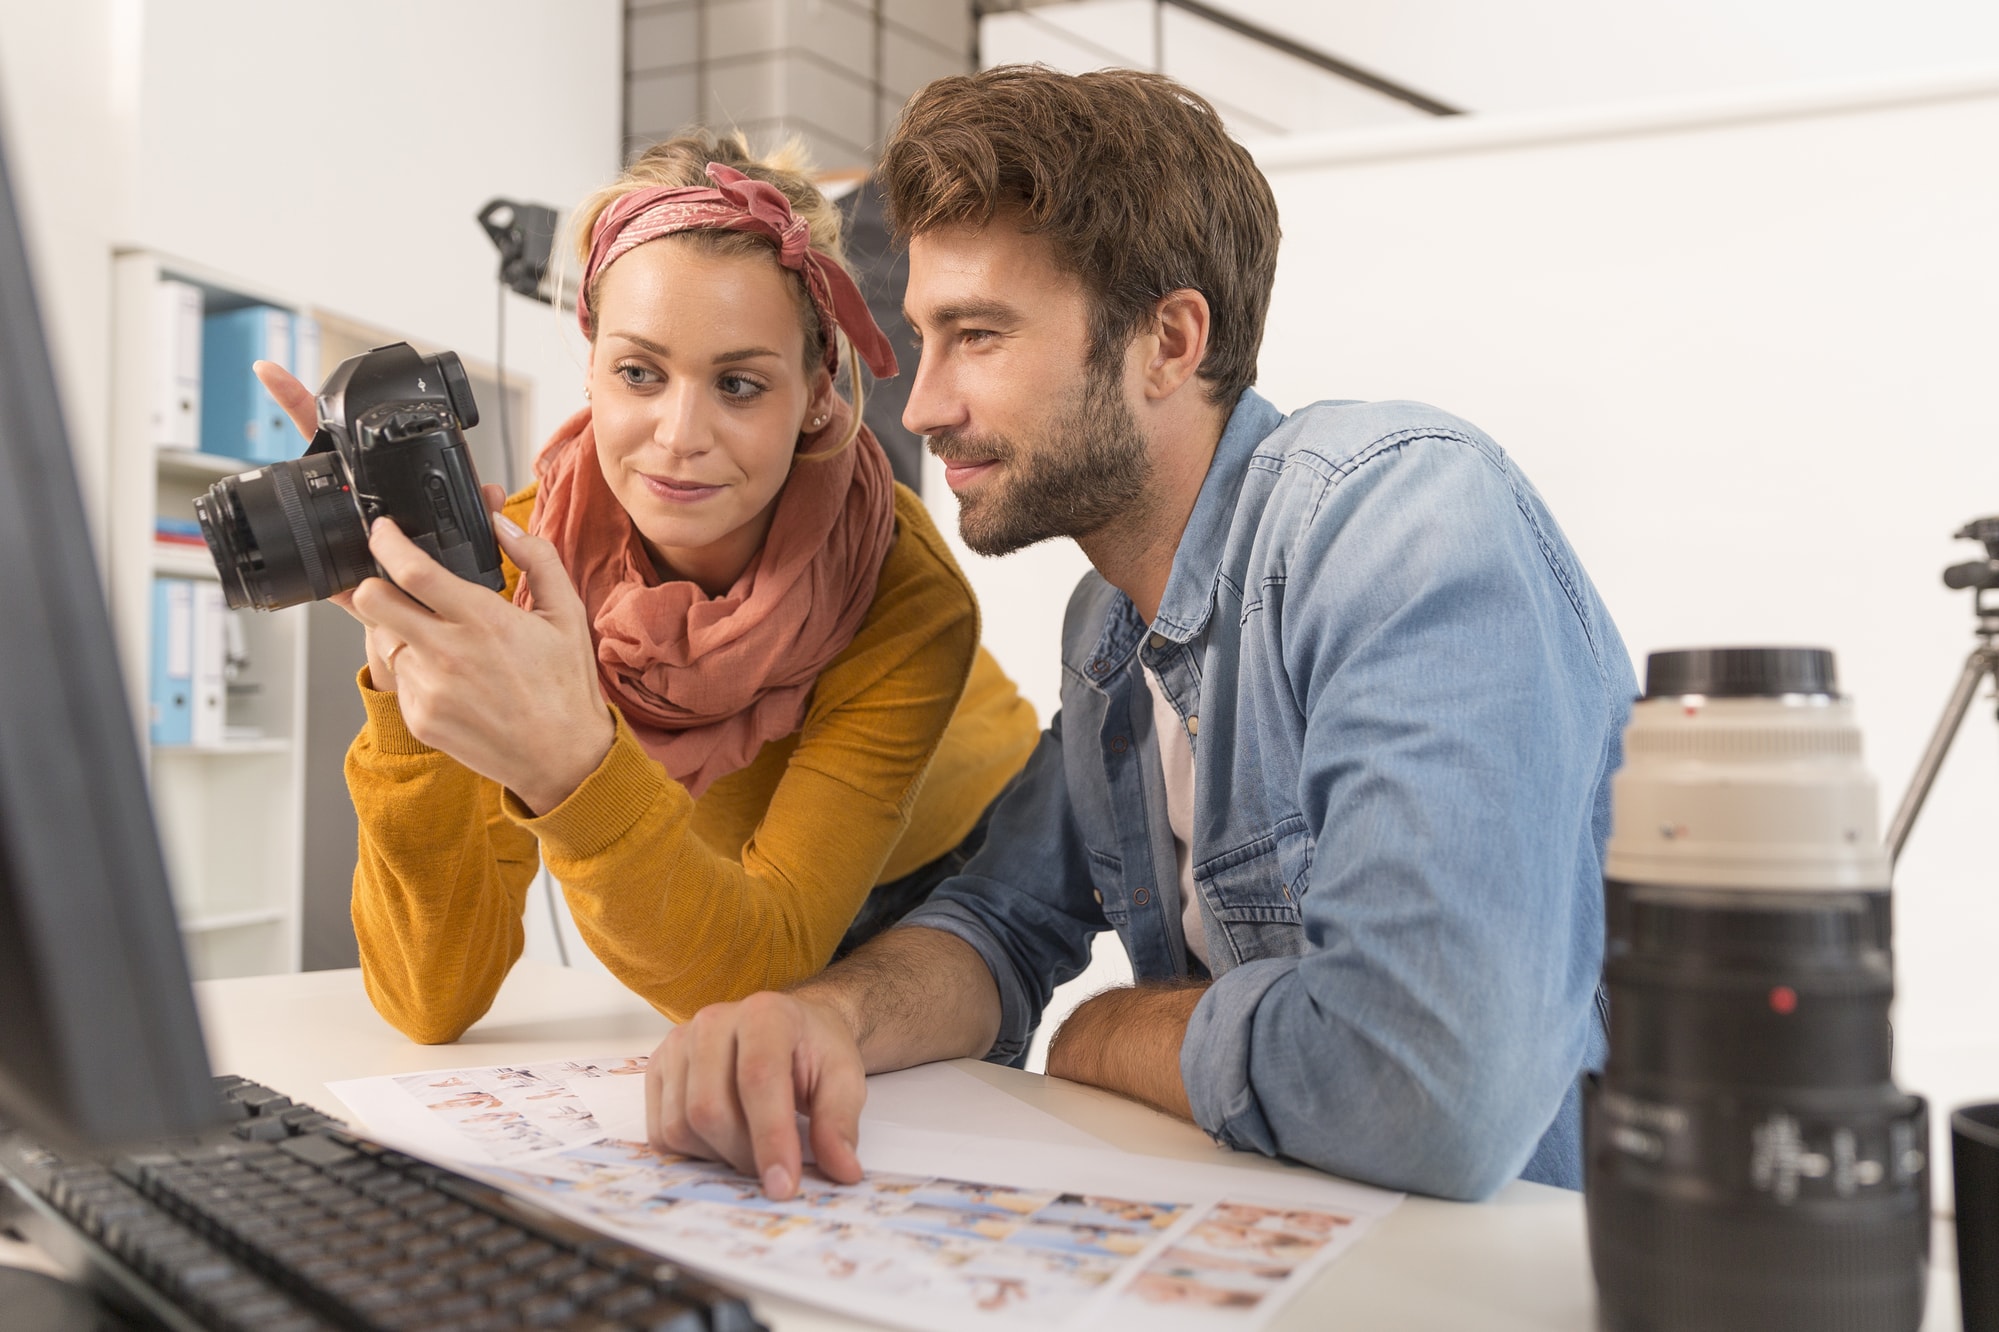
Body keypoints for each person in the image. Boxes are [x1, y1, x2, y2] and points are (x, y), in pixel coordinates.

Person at [642, 67, 1635, 1203]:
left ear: (1167, 340)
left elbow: (1426, 1094)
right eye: (925, 337)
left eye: (977, 335)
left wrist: (1107, 1030)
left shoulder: (1402, 525)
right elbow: (998, 921)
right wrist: (820, 1020)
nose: (920, 406)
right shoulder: (1110, 626)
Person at [258, 132, 1039, 1044]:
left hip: (938, 861)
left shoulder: (904, 594)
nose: (678, 434)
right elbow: (431, 999)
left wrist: (566, 762)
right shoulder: (517, 560)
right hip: (707, 893)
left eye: (740, 384)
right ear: (590, 363)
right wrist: (405, 680)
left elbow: (759, 966)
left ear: (818, 392)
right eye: (639, 372)